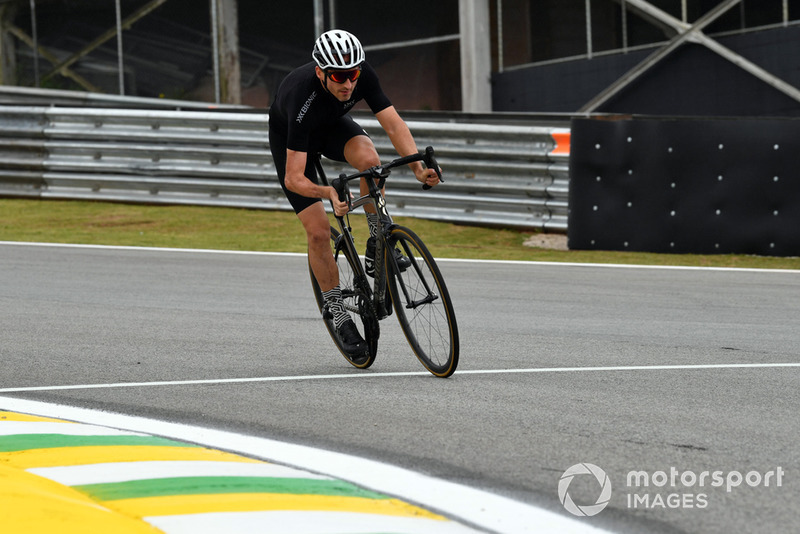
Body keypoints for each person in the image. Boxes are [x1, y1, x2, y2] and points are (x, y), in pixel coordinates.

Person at [268, 29, 440, 358]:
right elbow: (293, 178)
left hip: (332, 127)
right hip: (294, 139)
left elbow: (393, 123)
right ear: (321, 72)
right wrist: (327, 194)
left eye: (353, 75)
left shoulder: (361, 74)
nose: (348, 84)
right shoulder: (299, 95)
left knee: (371, 161)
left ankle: (377, 241)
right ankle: (338, 313)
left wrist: (417, 167)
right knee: (318, 231)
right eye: (338, 76)